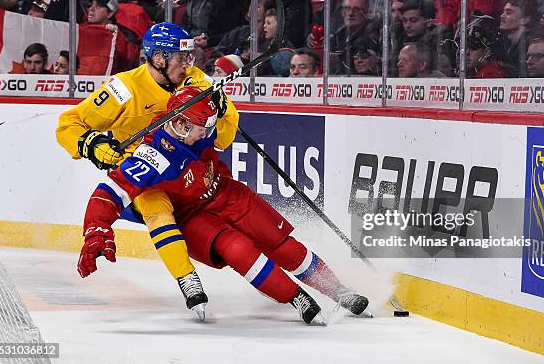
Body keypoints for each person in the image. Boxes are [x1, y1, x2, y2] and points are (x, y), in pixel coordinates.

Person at [78, 85, 371, 325]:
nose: (207, 134)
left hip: (226, 192)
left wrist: (219, 100)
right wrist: (95, 228)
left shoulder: (194, 121)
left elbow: (216, 118)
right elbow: (109, 192)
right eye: (201, 128)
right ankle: (296, 297)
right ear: (179, 124)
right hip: (193, 216)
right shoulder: (153, 156)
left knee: (282, 244)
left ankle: (339, 291)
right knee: (238, 250)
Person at [56, 22, 227, 316]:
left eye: (190, 58)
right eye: (181, 58)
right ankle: (187, 279)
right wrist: (94, 145)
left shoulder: (194, 80)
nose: (189, 64)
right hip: (147, 173)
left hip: (192, 170)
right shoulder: (123, 89)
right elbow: (68, 125)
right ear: (158, 58)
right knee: (155, 207)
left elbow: (223, 137)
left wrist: (223, 110)